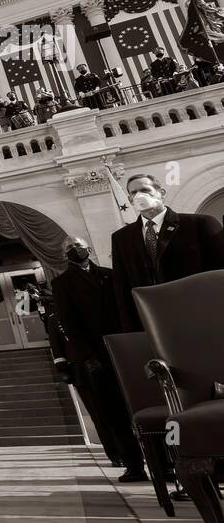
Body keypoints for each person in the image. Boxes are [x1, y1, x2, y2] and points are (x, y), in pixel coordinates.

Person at [50, 236, 148, 481]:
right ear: (65, 255)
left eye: (79, 246)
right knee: (114, 414)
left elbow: (127, 309)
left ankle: (164, 463)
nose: (76, 250)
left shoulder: (110, 274)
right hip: (96, 356)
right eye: (70, 248)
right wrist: (87, 356)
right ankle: (134, 465)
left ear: (89, 249)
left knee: (144, 407)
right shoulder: (62, 283)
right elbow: (69, 324)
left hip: (125, 349)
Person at [110, 174, 224, 331]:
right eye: (133, 193)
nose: (139, 196)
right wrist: (131, 330)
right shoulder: (121, 238)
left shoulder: (200, 224)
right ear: (129, 200)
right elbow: (122, 287)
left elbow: (219, 272)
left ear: (161, 193)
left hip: (202, 314)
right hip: (155, 321)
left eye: (145, 189)